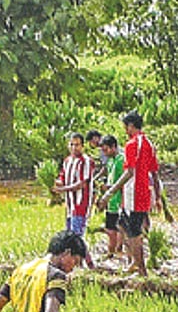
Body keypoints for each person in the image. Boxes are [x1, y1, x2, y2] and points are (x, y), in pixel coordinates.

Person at [99, 111, 161, 277]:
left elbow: (129, 172)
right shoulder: (149, 144)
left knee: (133, 231)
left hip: (133, 194)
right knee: (123, 225)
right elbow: (154, 173)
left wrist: (109, 193)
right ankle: (135, 261)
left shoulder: (132, 144)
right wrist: (158, 196)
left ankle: (142, 270)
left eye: (126, 127)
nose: (125, 130)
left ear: (131, 126)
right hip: (143, 193)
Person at [52, 133, 97, 269]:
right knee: (72, 235)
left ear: (82, 146)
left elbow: (82, 183)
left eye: (77, 145)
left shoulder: (86, 161)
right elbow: (63, 177)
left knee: (77, 235)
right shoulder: (67, 161)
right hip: (70, 204)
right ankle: (82, 262)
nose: (73, 147)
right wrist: (55, 184)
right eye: (71, 144)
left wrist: (63, 189)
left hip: (81, 203)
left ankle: (86, 263)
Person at [98, 134, 125, 260]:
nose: (105, 153)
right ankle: (111, 251)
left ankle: (118, 250)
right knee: (110, 228)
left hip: (118, 199)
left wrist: (109, 188)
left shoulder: (121, 160)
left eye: (106, 149)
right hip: (110, 200)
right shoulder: (110, 161)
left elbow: (122, 181)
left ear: (114, 147)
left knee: (118, 227)